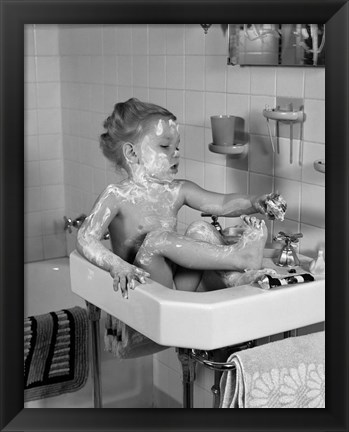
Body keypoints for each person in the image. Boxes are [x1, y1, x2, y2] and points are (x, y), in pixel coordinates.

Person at [77, 98, 286, 299]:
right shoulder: (116, 195)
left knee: (200, 228)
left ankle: (237, 276)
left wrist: (256, 202)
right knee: (156, 239)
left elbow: (222, 204)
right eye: (165, 146)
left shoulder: (177, 189)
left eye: (177, 146)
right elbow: (86, 238)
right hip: (148, 286)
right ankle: (239, 257)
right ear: (132, 153)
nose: (176, 153)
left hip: (179, 286)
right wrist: (117, 265)